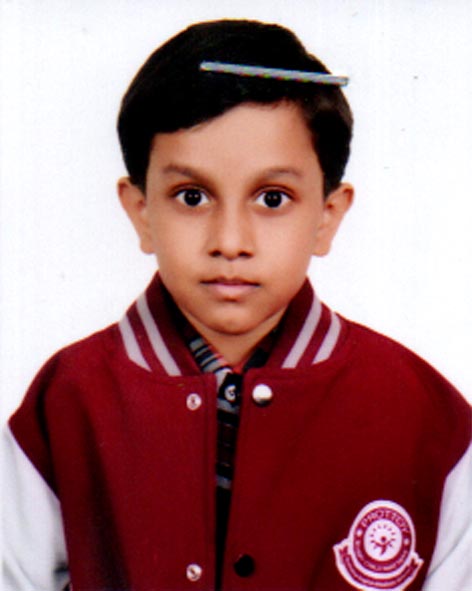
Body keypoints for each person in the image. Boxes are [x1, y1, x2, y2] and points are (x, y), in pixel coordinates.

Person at [3, 19, 471, 591]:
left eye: (272, 198)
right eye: (191, 196)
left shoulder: (427, 418)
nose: (230, 241)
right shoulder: (66, 403)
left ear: (327, 216)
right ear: (140, 210)